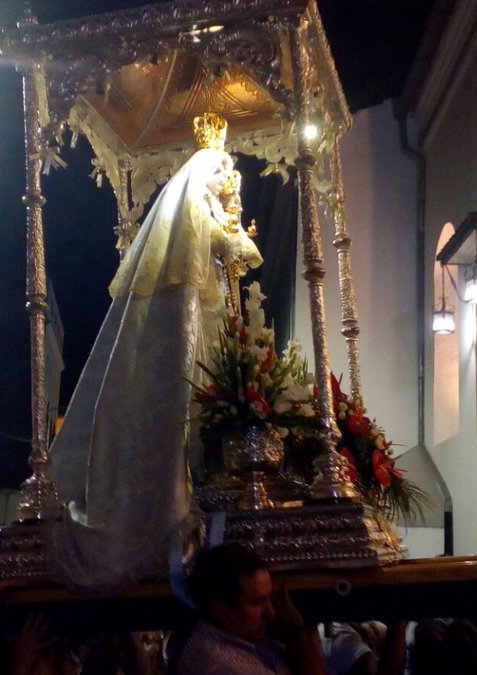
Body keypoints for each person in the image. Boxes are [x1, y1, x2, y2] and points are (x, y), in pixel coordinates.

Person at [48, 112, 251, 591]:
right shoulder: (192, 209)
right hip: (178, 317)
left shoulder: (205, 208)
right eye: (221, 171)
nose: (227, 180)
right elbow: (223, 245)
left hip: (202, 313)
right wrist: (231, 232)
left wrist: (232, 229)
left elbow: (231, 252)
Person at [176, 544, 326, 675]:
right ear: (219, 607)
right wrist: (296, 635)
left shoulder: (247, 636)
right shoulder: (222, 666)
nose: (271, 613)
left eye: (269, 598)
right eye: (256, 602)